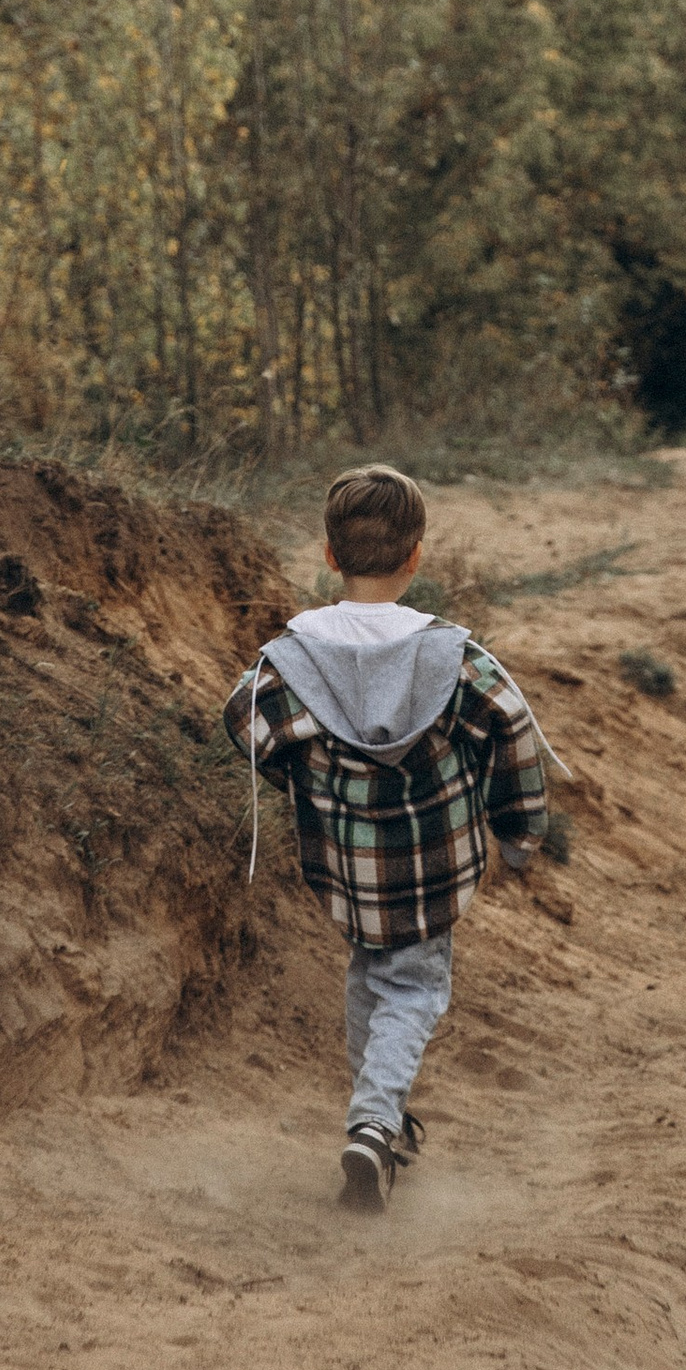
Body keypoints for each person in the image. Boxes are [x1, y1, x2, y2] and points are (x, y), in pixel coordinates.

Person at [225, 461, 550, 1213]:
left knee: (370, 970)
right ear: (416, 556)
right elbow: (514, 732)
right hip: (431, 870)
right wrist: (519, 833)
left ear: (329, 555)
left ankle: (380, 1121)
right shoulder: (452, 657)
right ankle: (374, 1125)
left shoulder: (292, 661)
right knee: (413, 986)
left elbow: (243, 719)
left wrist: (303, 772)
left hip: (345, 870)